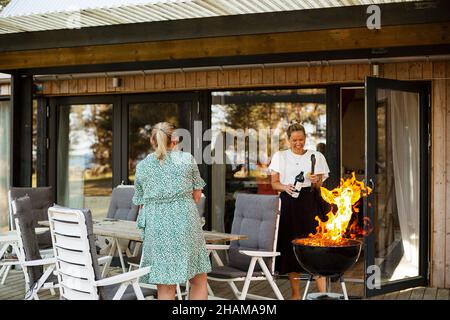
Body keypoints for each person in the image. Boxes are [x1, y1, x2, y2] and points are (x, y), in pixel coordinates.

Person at [132, 121, 211, 300]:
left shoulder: (143, 166)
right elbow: (197, 196)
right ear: (174, 140)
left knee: (165, 287)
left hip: (157, 228)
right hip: (185, 225)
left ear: (153, 141)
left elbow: (140, 200)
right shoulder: (186, 159)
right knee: (198, 280)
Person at [269, 123, 330, 300]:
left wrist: (315, 179)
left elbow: (319, 185)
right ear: (288, 140)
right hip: (288, 203)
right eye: (294, 140)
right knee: (291, 248)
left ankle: (323, 294)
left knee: (315, 247)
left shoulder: (316, 156)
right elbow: (274, 183)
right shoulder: (280, 156)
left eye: (301, 139)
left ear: (306, 139)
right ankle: (295, 295)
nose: (298, 143)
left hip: (310, 202)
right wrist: (285, 187)